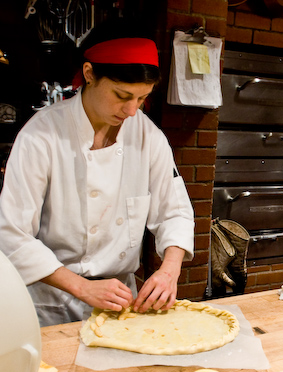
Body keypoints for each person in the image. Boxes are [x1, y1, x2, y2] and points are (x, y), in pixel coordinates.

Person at [0, 35, 195, 326]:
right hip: (52, 301)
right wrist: (82, 287)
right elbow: (12, 234)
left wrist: (169, 271)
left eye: (142, 99)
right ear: (90, 74)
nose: (132, 111)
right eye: (122, 95)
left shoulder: (147, 135)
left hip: (119, 300)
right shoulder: (41, 135)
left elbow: (174, 212)